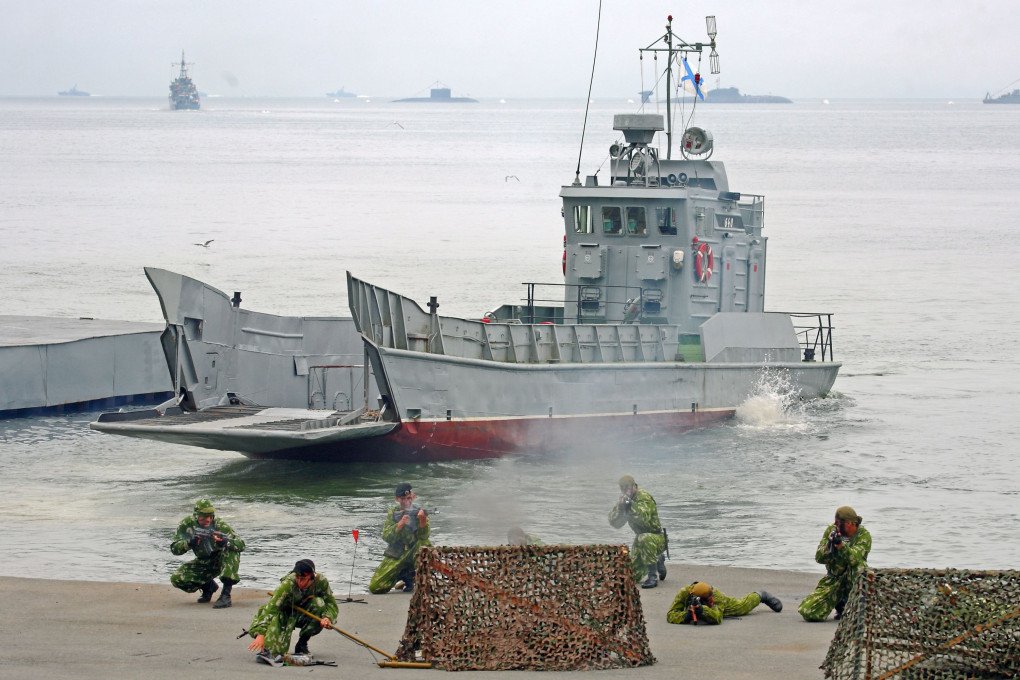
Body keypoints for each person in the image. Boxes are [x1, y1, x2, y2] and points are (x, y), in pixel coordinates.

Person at [247, 559, 339, 664]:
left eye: (303, 578)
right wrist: (261, 634)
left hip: (305, 614)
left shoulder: (321, 581)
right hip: (284, 614)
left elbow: (331, 604)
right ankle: (270, 642)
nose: (299, 581)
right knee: (273, 653)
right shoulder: (287, 584)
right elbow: (270, 609)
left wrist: (328, 618)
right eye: (297, 578)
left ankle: (302, 643)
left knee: (319, 603)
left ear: (311, 577)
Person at [798, 505, 872, 622]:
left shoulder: (864, 535)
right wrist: (829, 546)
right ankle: (840, 604)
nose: (835, 526)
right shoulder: (831, 531)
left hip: (852, 579)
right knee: (808, 611)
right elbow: (819, 558)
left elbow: (855, 559)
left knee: (859, 568)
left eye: (838, 523)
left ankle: (855, 604)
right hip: (834, 579)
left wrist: (842, 547)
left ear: (849, 523)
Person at [169, 499, 245, 609]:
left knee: (231, 550)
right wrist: (189, 543)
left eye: (210, 516)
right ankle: (208, 587)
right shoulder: (187, 525)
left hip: (222, 560)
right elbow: (174, 549)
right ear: (196, 515)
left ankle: (225, 595)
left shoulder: (219, 524)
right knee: (177, 578)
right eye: (203, 516)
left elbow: (241, 544)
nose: (207, 519)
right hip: (204, 561)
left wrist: (225, 542)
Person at [369, 482, 431, 594]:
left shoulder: (420, 511)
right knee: (375, 587)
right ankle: (403, 575)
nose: (407, 501)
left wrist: (422, 521)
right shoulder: (393, 513)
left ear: (413, 496)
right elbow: (386, 536)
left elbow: (424, 536)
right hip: (397, 552)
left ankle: (414, 575)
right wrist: (400, 524)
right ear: (397, 499)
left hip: (414, 551)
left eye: (409, 498)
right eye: (403, 499)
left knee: (425, 544)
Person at [609, 475, 667, 588]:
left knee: (644, 537)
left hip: (657, 538)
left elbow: (643, 519)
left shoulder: (644, 497)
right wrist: (621, 508)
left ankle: (652, 576)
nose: (627, 491)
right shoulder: (625, 499)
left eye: (629, 488)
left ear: (634, 486)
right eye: (624, 489)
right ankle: (658, 559)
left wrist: (631, 505)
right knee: (631, 576)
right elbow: (615, 523)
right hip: (641, 541)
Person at [666, 580, 783, 625]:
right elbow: (671, 615)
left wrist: (703, 610)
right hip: (693, 607)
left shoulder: (715, 596)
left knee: (741, 606)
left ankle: (761, 595)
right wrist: (686, 616)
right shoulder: (684, 593)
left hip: (723, 605)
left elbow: (717, 618)